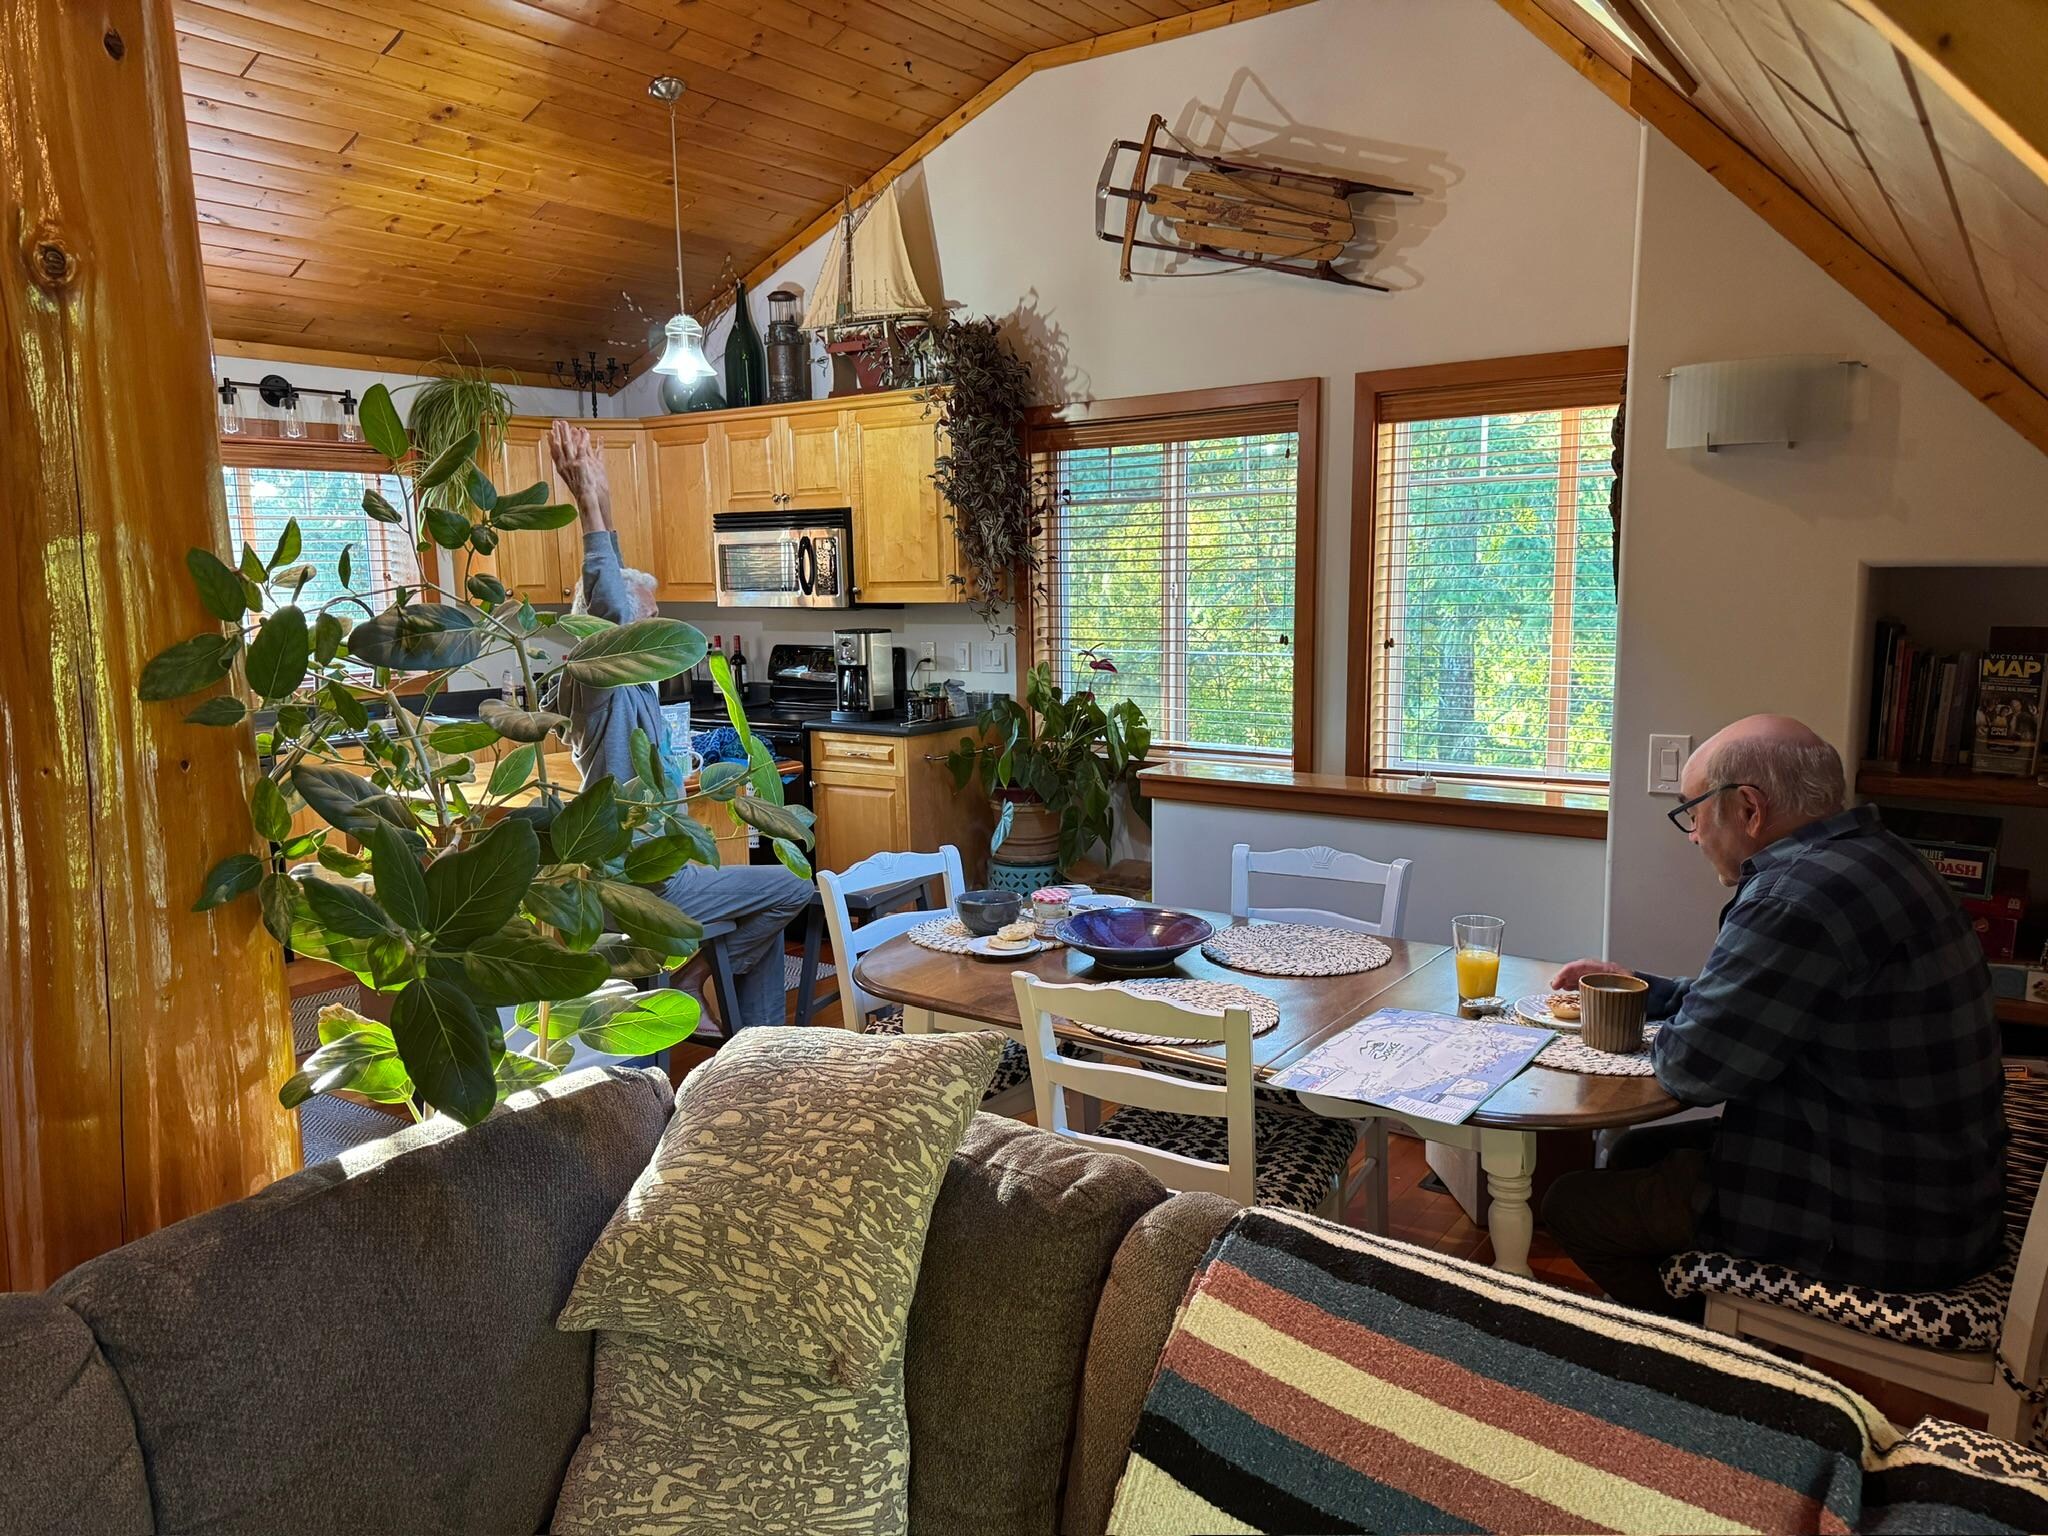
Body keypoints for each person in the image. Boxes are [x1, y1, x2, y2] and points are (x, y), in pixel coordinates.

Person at [1539, 714, 2005, 1315]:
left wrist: (1672, 1027)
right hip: (1940, 1188)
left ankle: (1707, 1358)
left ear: (1749, 809)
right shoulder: (1878, 857)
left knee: (1572, 1204)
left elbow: (1692, 1068)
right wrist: (1639, 990)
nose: (1693, 834)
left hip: (1879, 1228)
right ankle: (1711, 1316)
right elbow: (1763, 1006)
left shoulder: (1792, 899)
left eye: (1693, 811)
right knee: (1632, 1154)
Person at [546, 419, 811, 1031]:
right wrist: (587, 504)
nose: (662, 619)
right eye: (652, 613)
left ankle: (758, 1044)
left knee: (761, 905)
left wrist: (604, 491)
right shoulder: (598, 679)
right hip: (646, 880)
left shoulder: (619, 684)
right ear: (623, 632)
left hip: (663, 867)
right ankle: (691, 983)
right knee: (794, 890)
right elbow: (607, 602)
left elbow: (611, 605)